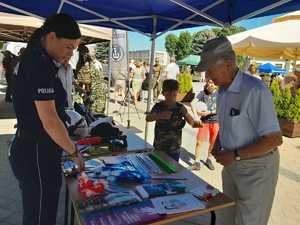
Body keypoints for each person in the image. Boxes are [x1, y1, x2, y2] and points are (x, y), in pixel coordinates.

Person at [197, 36, 282, 225]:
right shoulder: (222, 91)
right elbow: (227, 124)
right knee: (226, 216)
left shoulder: (255, 90)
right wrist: (219, 142)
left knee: (249, 220)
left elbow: (274, 140)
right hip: (232, 165)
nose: (208, 77)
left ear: (228, 62)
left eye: (210, 70)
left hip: (257, 169)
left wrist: (234, 154)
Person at [9, 14, 85, 225]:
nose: (71, 54)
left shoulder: (41, 60)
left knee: (42, 212)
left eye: (74, 49)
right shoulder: (38, 63)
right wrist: (74, 152)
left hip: (40, 151)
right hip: (35, 154)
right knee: (41, 216)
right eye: (68, 47)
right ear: (51, 37)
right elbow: (50, 120)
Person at [146, 79, 202, 162]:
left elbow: (190, 120)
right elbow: (148, 118)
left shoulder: (180, 108)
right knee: (157, 169)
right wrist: (160, 115)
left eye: (174, 94)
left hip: (174, 148)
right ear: (163, 93)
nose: (171, 96)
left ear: (177, 93)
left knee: (172, 171)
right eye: (169, 94)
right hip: (159, 146)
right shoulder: (158, 106)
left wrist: (196, 123)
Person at [192, 77, 218, 171]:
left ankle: (209, 159)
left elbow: (222, 107)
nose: (210, 84)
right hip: (204, 121)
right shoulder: (203, 93)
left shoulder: (220, 94)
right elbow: (192, 103)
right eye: (209, 82)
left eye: (212, 83)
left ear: (216, 84)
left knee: (213, 142)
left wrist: (209, 112)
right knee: (199, 142)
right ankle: (197, 161)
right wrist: (195, 115)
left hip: (215, 121)